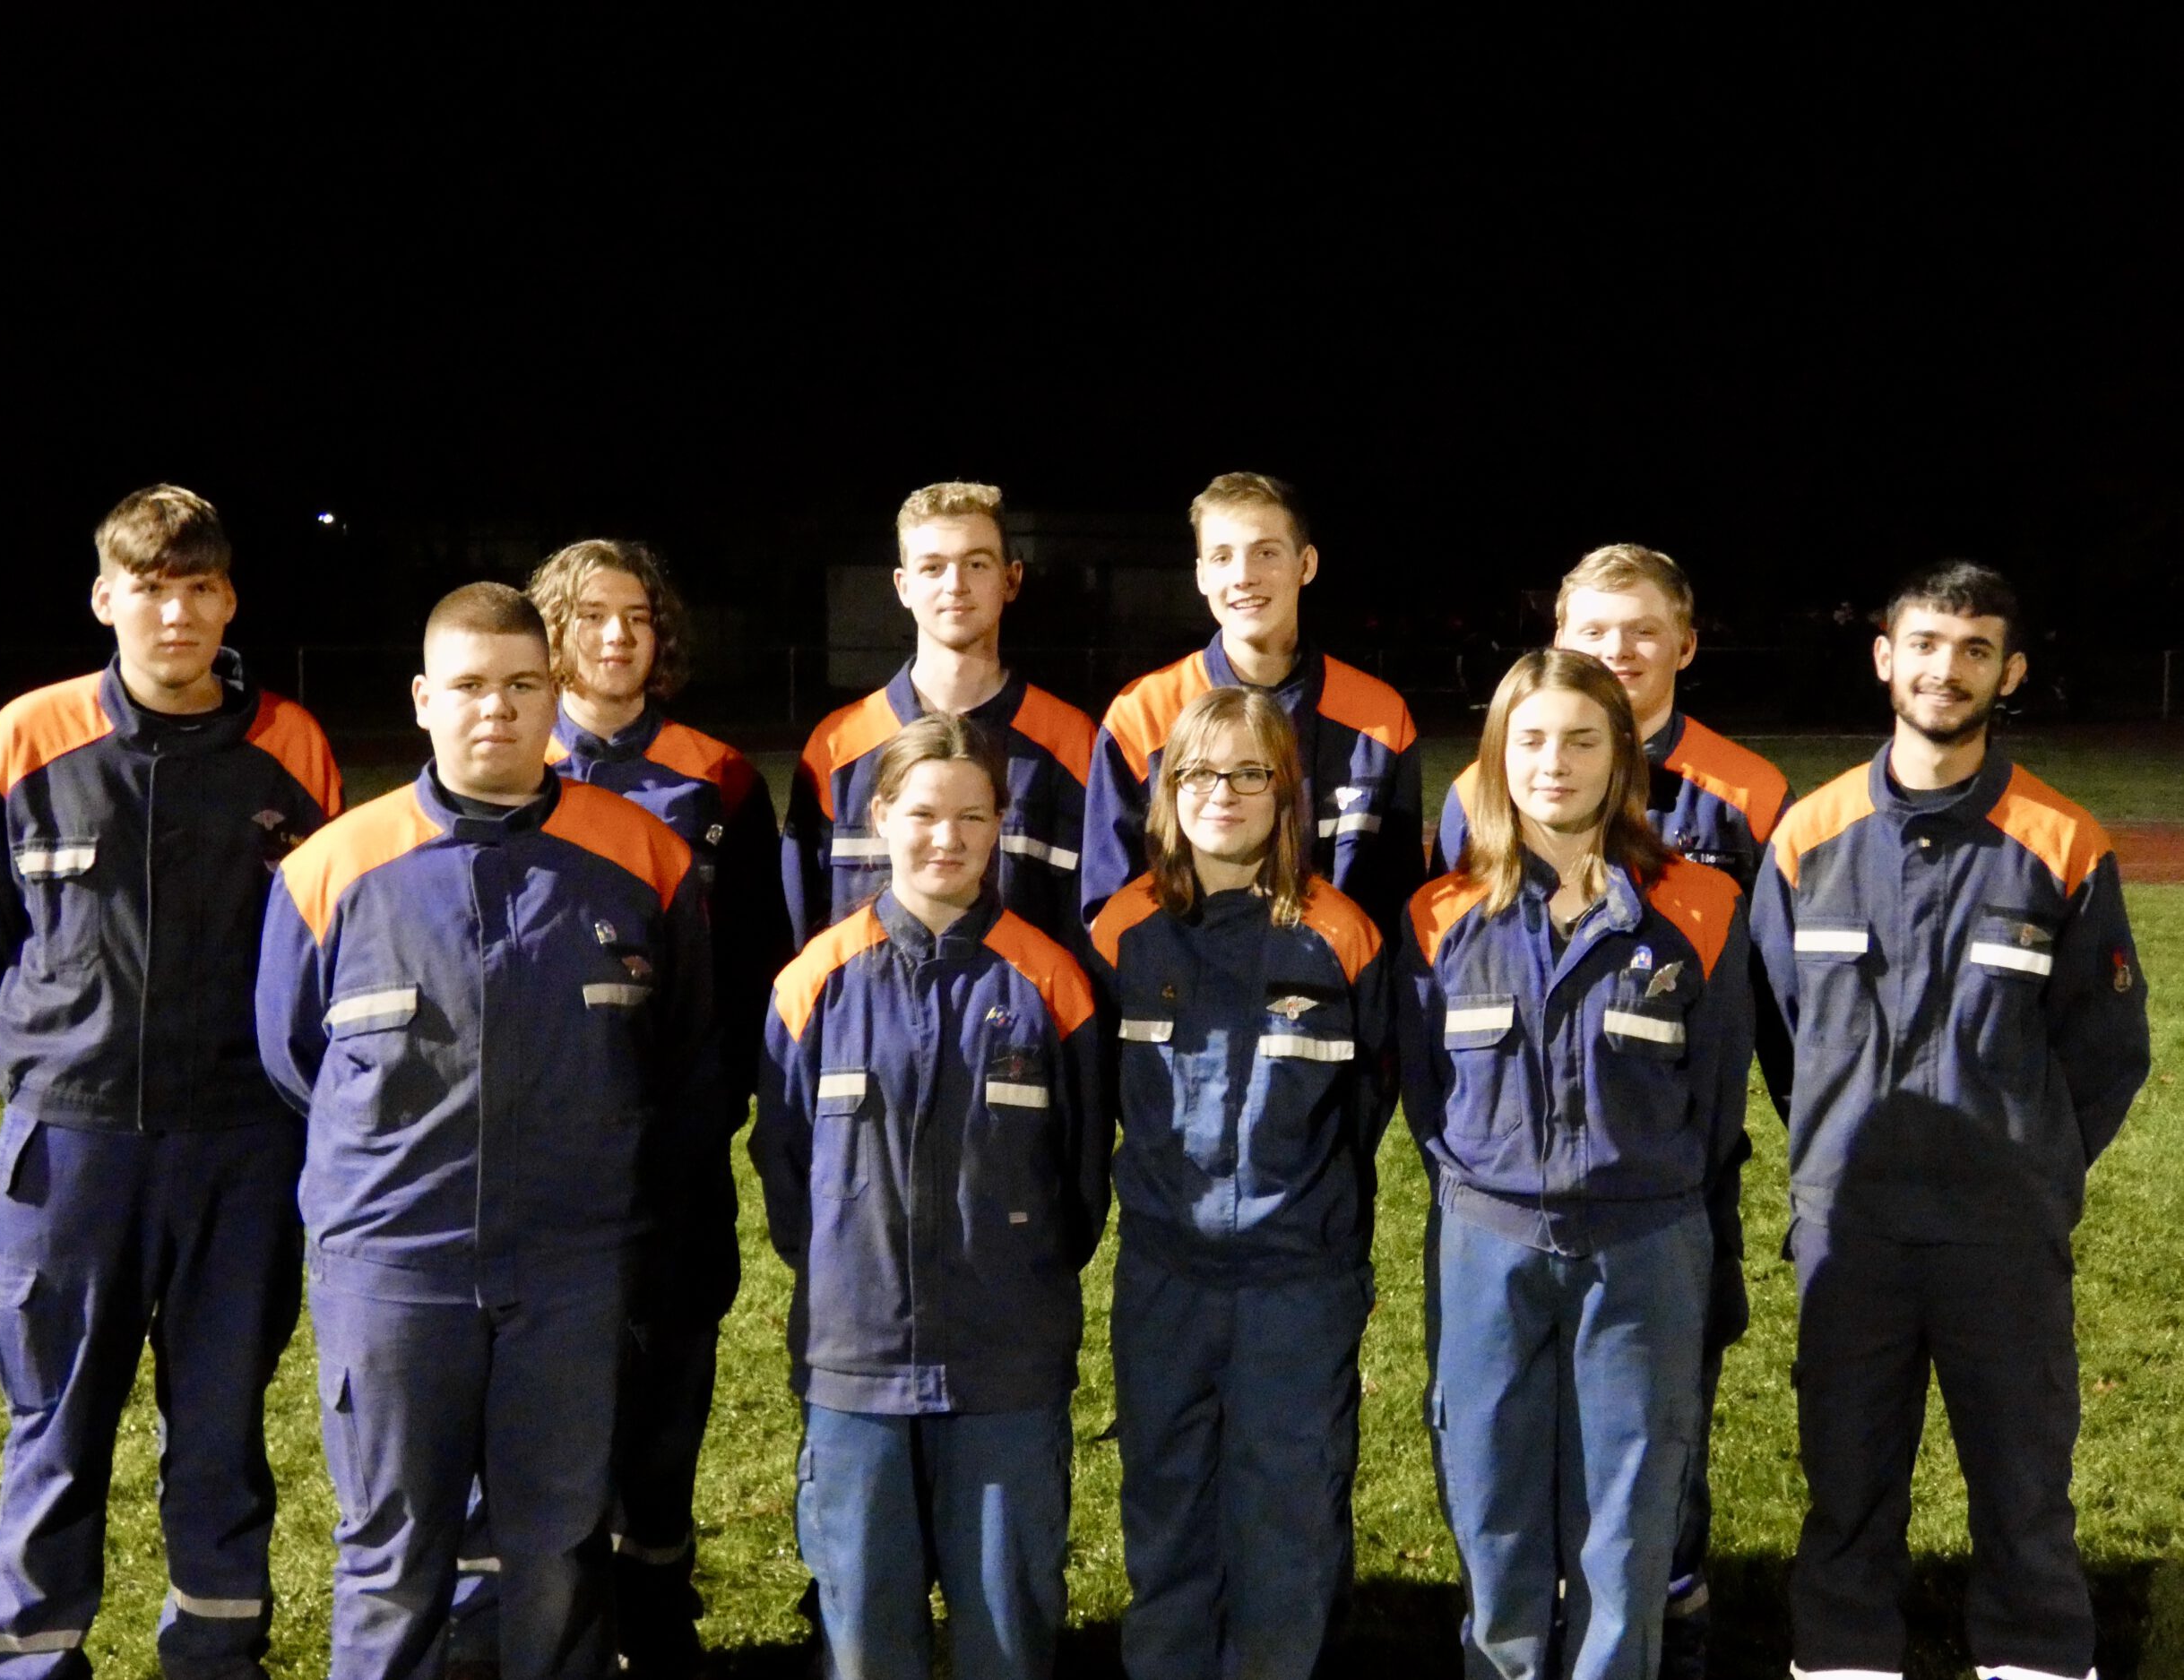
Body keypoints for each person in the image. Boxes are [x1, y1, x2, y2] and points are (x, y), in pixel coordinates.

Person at [255, 583, 714, 1679]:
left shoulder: (643, 858)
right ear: (423, 699)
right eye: (468, 686)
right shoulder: (333, 868)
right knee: (392, 1555)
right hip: (395, 1268)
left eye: (520, 686)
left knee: (560, 1551)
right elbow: (289, 1057)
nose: (495, 710)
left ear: (555, 695)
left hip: (571, 1268)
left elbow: (684, 1052)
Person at [0, 486, 340, 1677]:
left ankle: (215, 1656)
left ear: (229, 601)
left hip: (241, 1149)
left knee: (220, 1432)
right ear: (104, 599)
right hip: (71, 1155)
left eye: (199, 589)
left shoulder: (293, 745)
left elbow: (326, 943)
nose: (176, 613)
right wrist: (50, 1073)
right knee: (55, 1430)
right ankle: (32, 1660)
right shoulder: (24, 738)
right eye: (151, 588)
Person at [1751, 563, 2149, 1680]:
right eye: (1925, 644)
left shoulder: (2061, 840)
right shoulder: (1807, 834)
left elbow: (2105, 1050)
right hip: (1852, 1232)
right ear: (1885, 656)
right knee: (1845, 1490)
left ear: (2008, 673)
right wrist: (1839, 1142)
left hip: (2001, 1236)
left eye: (1975, 649)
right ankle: (1845, 1660)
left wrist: (2026, 1159)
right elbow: (1779, 1030)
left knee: (2025, 1496)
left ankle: (2034, 1658)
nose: (1946, 668)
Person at [1433, 541, 1790, 1673]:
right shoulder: (1439, 908)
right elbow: (1427, 1082)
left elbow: (1720, 1079)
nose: (1555, 762)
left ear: (1623, 757)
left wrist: (1651, 1178)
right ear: (1497, 754)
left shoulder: (1701, 900)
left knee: (1630, 1516)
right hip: (1491, 1232)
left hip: (1646, 1228)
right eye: (1532, 740)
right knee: (1494, 1501)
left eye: (1583, 741)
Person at [446, 539, 789, 1673]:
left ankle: (654, 1607)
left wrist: (704, 1112)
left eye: (637, 617)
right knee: (527, 1403)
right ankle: (518, 1620)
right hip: (535, 1162)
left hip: (673, 1154)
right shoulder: (511, 761)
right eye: (590, 615)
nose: (616, 636)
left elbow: (755, 969)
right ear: (549, 634)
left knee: (664, 1390)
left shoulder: (718, 778)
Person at [752, 713, 1109, 1680]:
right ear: (878, 817)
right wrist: (849, 1269)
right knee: (866, 1635)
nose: (946, 838)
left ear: (1001, 824)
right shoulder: (814, 982)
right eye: (922, 814)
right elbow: (783, 1163)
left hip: (1006, 1366)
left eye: (972, 816)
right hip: (855, 1364)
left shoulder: (1050, 982)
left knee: (1008, 1631)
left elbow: (1081, 1180)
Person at [1089, 685, 1393, 1679]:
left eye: (1250, 773)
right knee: (1165, 1511)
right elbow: (1093, 1098)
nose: (1222, 793)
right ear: (1167, 791)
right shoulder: (1120, 932)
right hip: (1164, 1279)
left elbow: (1368, 1103)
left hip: (1295, 1283)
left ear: (1287, 793)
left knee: (1286, 1525)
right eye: (1199, 772)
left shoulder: (1342, 935)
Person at [1082, 470, 1424, 934]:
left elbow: (1400, 913)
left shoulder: (1379, 718)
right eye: (1222, 557)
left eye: (1266, 553)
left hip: (1337, 978)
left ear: (1306, 565)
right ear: (1202, 576)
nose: (1243, 576)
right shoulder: (1141, 715)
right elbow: (1111, 916)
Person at [781, 481, 1096, 952]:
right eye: (932, 567)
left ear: (1011, 579)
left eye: (976, 563)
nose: (955, 585)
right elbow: (801, 935)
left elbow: (1095, 929)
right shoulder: (839, 744)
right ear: (903, 586)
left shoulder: (1071, 742)